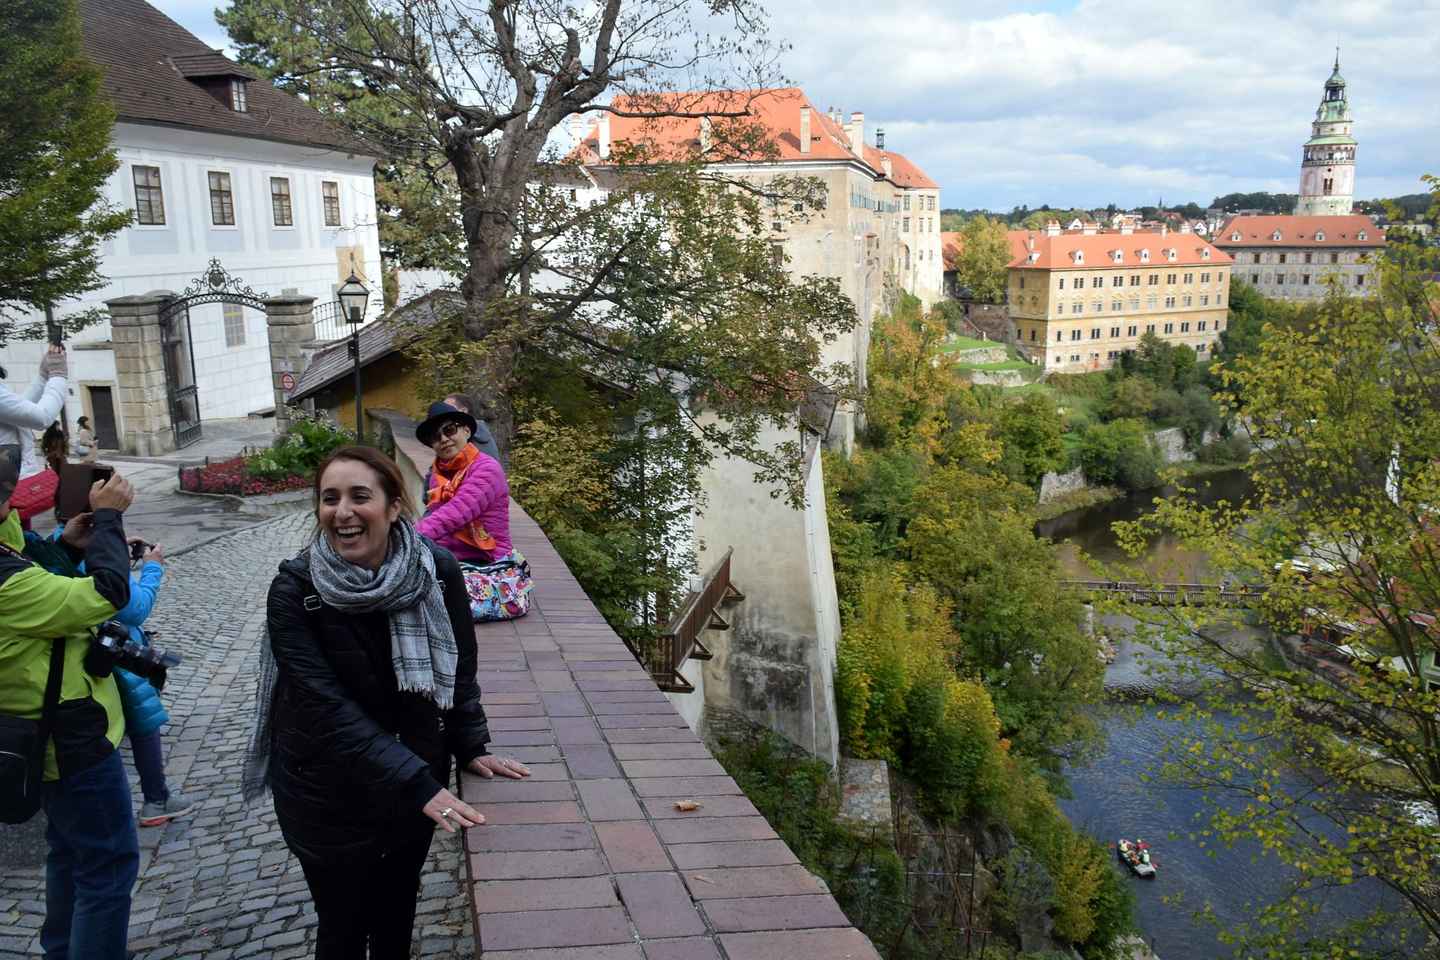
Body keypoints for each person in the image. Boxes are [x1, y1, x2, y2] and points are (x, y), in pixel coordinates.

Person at [247, 445, 529, 959]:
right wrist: (417, 781)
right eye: (329, 498)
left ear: (394, 505)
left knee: (397, 915)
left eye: (360, 496)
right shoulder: (294, 590)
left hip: (408, 787)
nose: (343, 512)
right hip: (325, 792)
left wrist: (470, 744)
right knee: (344, 928)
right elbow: (322, 706)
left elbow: (459, 669)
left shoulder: (436, 570)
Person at [0, 457, 138, 960]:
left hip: (39, 736)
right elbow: (108, 592)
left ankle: (60, 949)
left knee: (68, 853)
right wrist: (109, 520)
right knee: (108, 867)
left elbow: (35, 583)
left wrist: (63, 545)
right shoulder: (7, 584)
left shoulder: (11, 571)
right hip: (70, 742)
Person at [414, 403, 532, 621]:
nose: (443, 439)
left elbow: (454, 514)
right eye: (435, 436)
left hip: (486, 561)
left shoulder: (487, 469)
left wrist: (406, 537)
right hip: (451, 560)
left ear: (466, 431)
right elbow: (433, 518)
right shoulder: (438, 475)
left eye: (449, 430)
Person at [0, 346, 68, 529]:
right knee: (14, 547)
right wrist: (58, 376)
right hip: (8, 492)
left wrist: (43, 377)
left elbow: (19, 412)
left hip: (11, 489)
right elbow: (42, 417)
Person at [441, 392, 502, 463]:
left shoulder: (464, 437)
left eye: (447, 408)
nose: (442, 413)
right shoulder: (477, 430)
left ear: (463, 411)